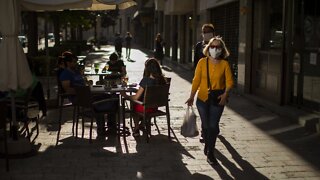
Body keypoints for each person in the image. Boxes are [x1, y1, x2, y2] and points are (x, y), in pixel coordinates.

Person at [185, 36, 234, 165]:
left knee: (213, 126)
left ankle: (211, 152)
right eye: (212, 46)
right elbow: (196, 80)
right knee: (206, 126)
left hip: (217, 99)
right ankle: (207, 144)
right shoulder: (202, 62)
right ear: (208, 48)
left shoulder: (224, 64)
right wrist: (191, 96)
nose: (215, 49)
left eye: (218, 47)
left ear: (222, 49)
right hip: (202, 99)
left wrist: (225, 94)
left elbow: (230, 81)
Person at [59, 52, 118, 136]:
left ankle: (110, 126)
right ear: (68, 63)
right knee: (105, 99)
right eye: (74, 62)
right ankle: (103, 128)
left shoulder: (76, 72)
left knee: (111, 96)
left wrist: (86, 81)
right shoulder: (65, 74)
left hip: (87, 94)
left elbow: (85, 84)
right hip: (79, 97)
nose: (76, 64)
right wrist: (84, 90)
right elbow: (68, 90)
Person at [121, 58, 167, 137]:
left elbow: (136, 97)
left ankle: (136, 128)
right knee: (142, 102)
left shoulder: (146, 80)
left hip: (146, 107)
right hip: (155, 107)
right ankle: (143, 123)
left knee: (134, 104)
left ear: (147, 69)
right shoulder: (162, 79)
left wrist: (126, 96)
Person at [194, 23, 215, 143]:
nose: (206, 33)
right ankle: (204, 131)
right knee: (203, 108)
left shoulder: (217, 45)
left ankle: (213, 127)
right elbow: (196, 64)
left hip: (216, 83)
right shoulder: (198, 46)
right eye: (205, 31)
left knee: (213, 108)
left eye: (209, 31)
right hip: (203, 82)